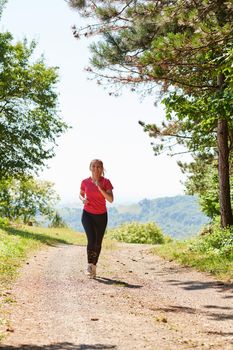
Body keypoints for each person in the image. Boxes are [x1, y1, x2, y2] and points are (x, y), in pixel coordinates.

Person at [79, 159, 114, 278]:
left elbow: (110, 199)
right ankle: (89, 266)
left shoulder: (106, 182)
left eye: (99, 166)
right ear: (90, 168)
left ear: (102, 169)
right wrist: (82, 199)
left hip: (101, 216)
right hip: (87, 214)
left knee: (98, 242)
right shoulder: (85, 181)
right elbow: (80, 193)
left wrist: (100, 188)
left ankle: (94, 266)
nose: (96, 168)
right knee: (91, 240)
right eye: (94, 166)